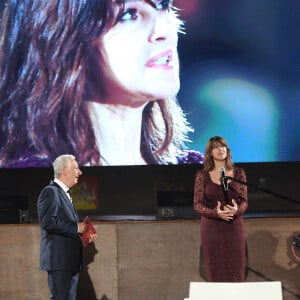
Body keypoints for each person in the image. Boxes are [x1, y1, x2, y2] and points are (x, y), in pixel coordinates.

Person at [0, 0, 203, 167]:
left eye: (163, 6)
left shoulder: (194, 175)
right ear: (64, 40)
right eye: (129, 14)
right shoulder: (30, 182)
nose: (163, 30)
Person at [37, 154, 96, 299]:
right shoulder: (50, 191)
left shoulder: (63, 193)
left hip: (69, 262)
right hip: (60, 261)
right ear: (64, 170)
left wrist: (84, 233)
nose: (80, 172)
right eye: (76, 168)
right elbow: (48, 222)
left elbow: (62, 224)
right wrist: (77, 228)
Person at [193, 136, 248, 282]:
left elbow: (244, 201)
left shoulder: (239, 173)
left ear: (227, 150)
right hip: (212, 227)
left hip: (234, 225)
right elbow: (197, 204)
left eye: (223, 146)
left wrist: (237, 210)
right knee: (215, 268)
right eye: (216, 147)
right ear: (210, 152)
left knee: (236, 268)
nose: (220, 149)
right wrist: (215, 213)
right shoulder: (202, 175)